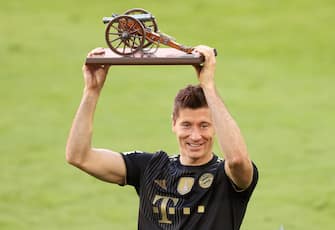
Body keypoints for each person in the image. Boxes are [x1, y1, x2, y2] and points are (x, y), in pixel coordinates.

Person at [66, 45, 258, 230]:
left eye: (204, 125)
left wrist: (208, 85)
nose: (195, 135)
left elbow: (238, 159)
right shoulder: (151, 167)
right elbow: (78, 156)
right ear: (173, 123)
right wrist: (92, 91)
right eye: (187, 125)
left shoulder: (226, 177)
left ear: (216, 126)